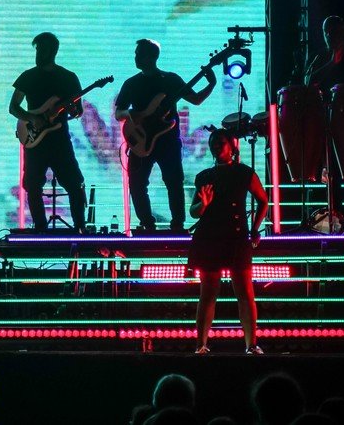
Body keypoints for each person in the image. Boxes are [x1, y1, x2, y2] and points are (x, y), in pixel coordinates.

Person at [115, 39, 216, 232]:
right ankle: (147, 223)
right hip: (140, 140)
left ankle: (177, 224)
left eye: (139, 54)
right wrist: (132, 114)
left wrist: (211, 83)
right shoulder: (131, 83)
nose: (135, 57)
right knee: (137, 184)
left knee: (174, 182)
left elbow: (196, 99)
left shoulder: (171, 80)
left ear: (150, 57)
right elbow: (119, 113)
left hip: (168, 141)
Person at [189, 129, 269, 354]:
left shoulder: (244, 172)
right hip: (210, 238)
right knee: (208, 293)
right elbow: (194, 212)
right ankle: (201, 345)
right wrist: (203, 204)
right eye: (212, 142)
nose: (216, 146)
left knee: (245, 292)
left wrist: (255, 229)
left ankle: (251, 344)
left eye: (220, 142)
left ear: (232, 146)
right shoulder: (204, 176)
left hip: (236, 237)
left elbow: (263, 200)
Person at [8, 32, 88, 232]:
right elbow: (14, 107)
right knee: (32, 185)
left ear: (52, 51)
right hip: (35, 140)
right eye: (37, 50)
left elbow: (78, 111)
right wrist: (31, 118)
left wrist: (72, 110)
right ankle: (40, 227)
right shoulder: (28, 76)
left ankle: (80, 227)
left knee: (74, 183)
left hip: (60, 140)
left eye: (42, 50)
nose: (38, 54)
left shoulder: (68, 77)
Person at [304, 15, 344, 228]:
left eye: (334, 31)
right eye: (326, 32)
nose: (330, 36)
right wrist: (331, 64)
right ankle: (337, 221)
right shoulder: (321, 56)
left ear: (342, 31)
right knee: (333, 174)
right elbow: (308, 81)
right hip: (329, 121)